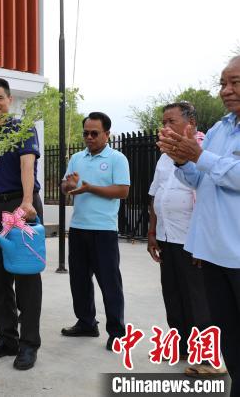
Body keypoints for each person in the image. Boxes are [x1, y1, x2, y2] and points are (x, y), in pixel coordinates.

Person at [158, 56, 240, 394]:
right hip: (214, 251)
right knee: (230, 338)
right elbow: (202, 181)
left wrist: (200, 156)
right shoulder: (220, 129)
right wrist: (182, 161)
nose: (226, 90)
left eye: (235, 82)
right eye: (222, 83)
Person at [147, 102, 223, 376]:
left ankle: (208, 358)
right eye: (163, 122)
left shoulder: (203, 151)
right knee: (173, 294)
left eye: (171, 121)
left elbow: (210, 198)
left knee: (199, 300)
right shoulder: (164, 156)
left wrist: (205, 242)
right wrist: (152, 232)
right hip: (167, 236)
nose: (165, 127)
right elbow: (155, 195)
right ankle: (181, 346)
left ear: (190, 124)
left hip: (193, 239)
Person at [0, 78, 43, 370]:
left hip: (20, 204)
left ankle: (29, 344)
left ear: (9, 100)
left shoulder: (22, 128)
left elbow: (27, 164)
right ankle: (7, 339)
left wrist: (27, 202)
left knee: (26, 276)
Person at [61, 112, 130, 351]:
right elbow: (66, 186)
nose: (89, 137)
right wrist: (68, 186)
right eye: (86, 133)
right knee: (79, 280)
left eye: (94, 133)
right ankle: (86, 323)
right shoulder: (77, 158)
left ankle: (117, 333)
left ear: (107, 134)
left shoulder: (117, 159)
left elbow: (122, 191)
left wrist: (90, 188)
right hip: (78, 228)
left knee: (110, 283)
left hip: (104, 231)